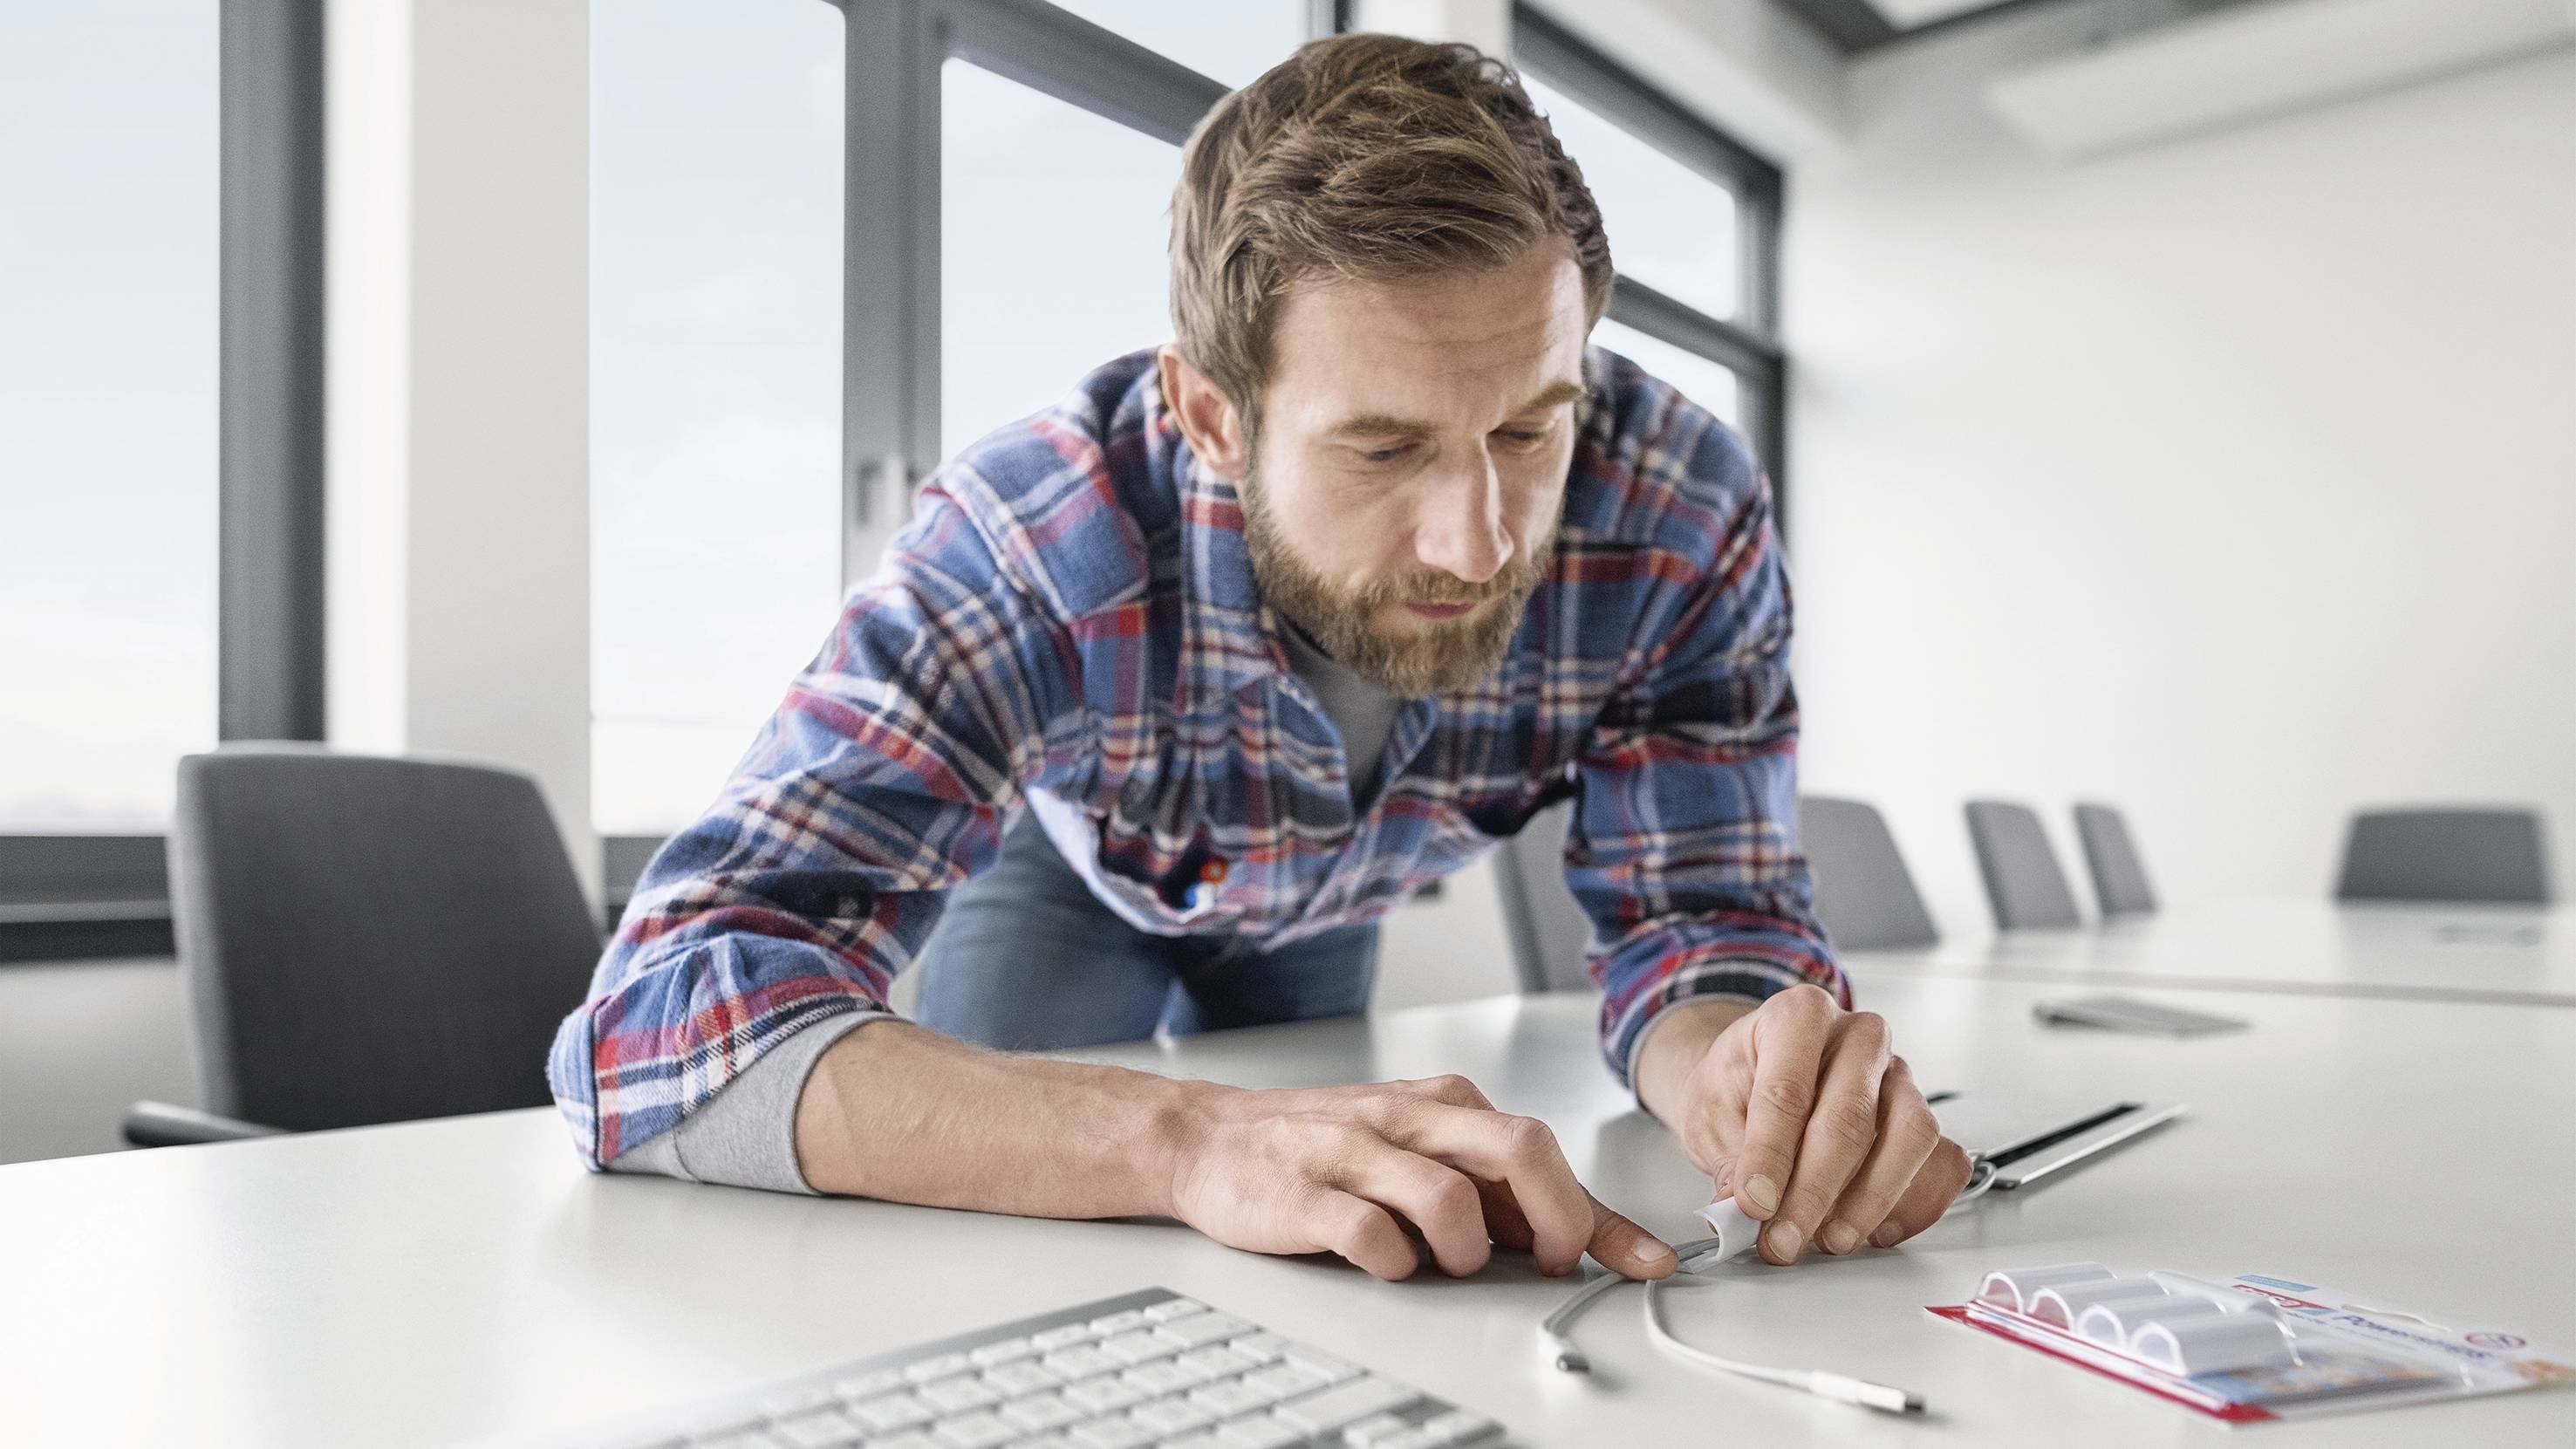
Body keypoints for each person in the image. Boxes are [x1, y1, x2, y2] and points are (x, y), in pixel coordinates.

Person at [548, 32, 1969, 1286]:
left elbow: (1695, 918)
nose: (1480, 546)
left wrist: (1740, 1072)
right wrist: (1174, 1138)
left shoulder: (1680, 509)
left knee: (1323, 1227)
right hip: (1083, 867)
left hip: (1333, 896)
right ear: (1209, 417)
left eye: (1530, 430)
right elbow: (649, 1034)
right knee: (1012, 1243)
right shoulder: (1036, 541)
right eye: (1383, 444)